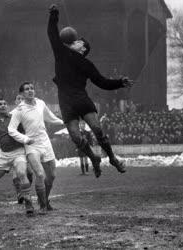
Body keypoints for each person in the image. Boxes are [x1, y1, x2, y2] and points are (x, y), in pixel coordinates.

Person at [47, 4, 134, 178]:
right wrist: (54, 15)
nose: (75, 41)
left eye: (78, 41)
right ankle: (94, 158)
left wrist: (119, 83)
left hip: (81, 99)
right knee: (76, 138)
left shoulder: (87, 64)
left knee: (97, 130)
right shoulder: (61, 52)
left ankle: (112, 159)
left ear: (83, 48)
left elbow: (102, 82)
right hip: (66, 101)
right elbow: (52, 33)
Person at [8, 82, 64, 214]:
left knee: (51, 176)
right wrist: (25, 139)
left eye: (32, 88)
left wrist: (63, 122)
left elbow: (50, 117)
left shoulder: (41, 103)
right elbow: (11, 129)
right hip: (32, 145)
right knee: (40, 174)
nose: (30, 91)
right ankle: (43, 206)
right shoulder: (18, 110)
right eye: (27, 89)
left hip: (45, 141)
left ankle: (44, 201)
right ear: (21, 93)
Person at [11, 93, 34, 204]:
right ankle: (20, 194)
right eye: (18, 99)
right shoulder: (11, 115)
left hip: (27, 146)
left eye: (22, 99)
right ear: (15, 102)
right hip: (15, 147)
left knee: (29, 173)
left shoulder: (29, 114)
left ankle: (26, 191)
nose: (20, 100)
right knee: (17, 173)